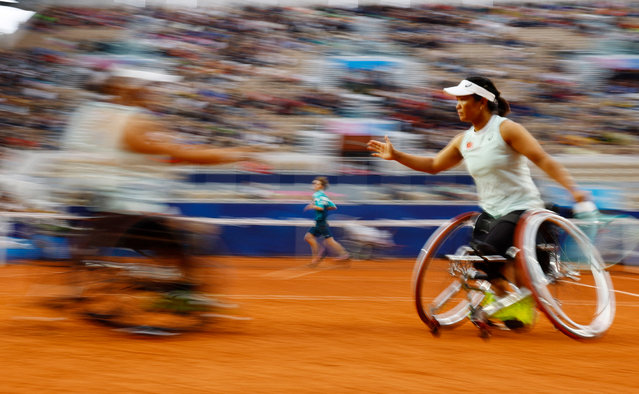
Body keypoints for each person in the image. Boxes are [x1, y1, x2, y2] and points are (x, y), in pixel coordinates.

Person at [367, 76, 588, 328]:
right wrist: (396, 156)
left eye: (462, 99)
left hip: (522, 208)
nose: (457, 105)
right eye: (457, 100)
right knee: (475, 258)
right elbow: (433, 165)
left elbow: (543, 159)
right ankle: (509, 302)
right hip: (492, 212)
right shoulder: (464, 139)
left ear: (481, 102)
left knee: (486, 253)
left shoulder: (506, 129)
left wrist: (574, 189)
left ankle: (518, 304)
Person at [304, 176, 350, 268]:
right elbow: (334, 207)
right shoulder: (324, 195)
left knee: (330, 241)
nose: (314, 185)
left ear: (321, 186)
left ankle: (344, 255)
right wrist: (322, 208)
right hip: (320, 222)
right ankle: (316, 259)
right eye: (314, 183)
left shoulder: (316, 195)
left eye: (316, 183)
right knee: (309, 237)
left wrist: (311, 206)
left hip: (321, 222)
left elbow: (320, 207)